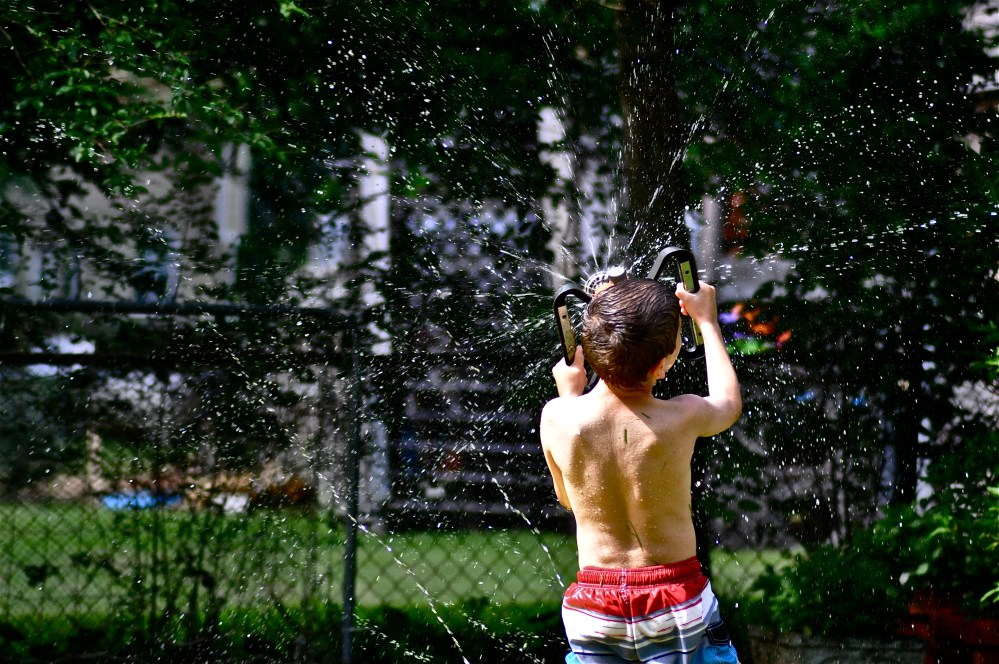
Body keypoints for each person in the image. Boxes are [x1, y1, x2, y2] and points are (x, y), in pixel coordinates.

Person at [540, 277, 742, 664]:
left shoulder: (557, 416)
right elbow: (728, 403)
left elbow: (569, 498)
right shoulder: (683, 415)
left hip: (593, 611)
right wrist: (709, 323)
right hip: (674, 601)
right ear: (661, 365)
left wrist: (569, 396)